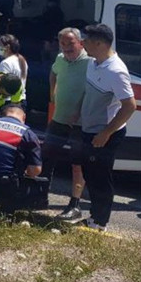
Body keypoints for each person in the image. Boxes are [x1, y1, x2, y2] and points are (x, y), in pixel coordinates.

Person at [78, 24, 135, 232]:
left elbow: (129, 106)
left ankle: (100, 222)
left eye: (87, 40)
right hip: (89, 128)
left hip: (104, 132)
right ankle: (94, 216)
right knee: (90, 174)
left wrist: (106, 133)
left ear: (99, 43)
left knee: (100, 177)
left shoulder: (116, 70)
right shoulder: (93, 63)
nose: (83, 44)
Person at [42, 27, 90, 221]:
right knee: (46, 157)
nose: (66, 47)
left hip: (80, 124)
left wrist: (80, 110)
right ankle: (39, 195)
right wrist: (52, 94)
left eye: (70, 43)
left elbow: (94, 90)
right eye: (63, 43)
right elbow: (53, 73)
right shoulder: (61, 59)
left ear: (81, 43)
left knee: (77, 165)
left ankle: (74, 205)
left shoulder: (91, 62)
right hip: (59, 119)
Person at [0, 34, 28, 106]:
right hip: (21, 100)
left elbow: (1, 84)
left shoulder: (5, 63)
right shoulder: (22, 60)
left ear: (7, 47)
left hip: (8, 101)